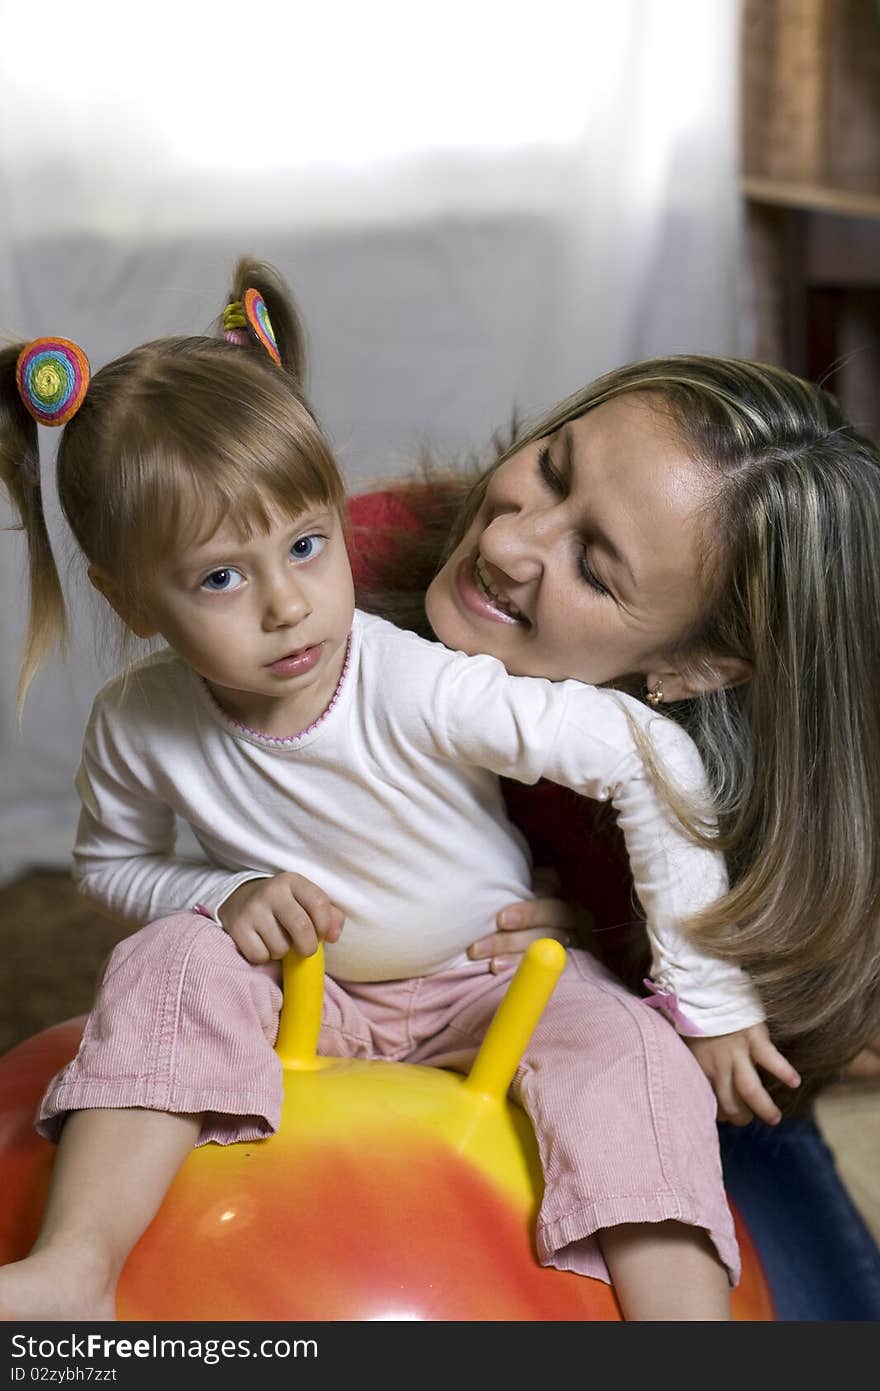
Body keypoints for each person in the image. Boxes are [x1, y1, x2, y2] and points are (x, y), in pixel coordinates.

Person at [0, 260, 799, 1326]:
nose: (287, 603)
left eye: (304, 545)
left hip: (480, 978)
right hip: (301, 988)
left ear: (332, 518)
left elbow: (644, 751)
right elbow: (108, 863)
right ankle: (77, 1266)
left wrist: (706, 991)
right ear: (131, 599)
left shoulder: (416, 680)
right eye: (221, 577)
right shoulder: (139, 723)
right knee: (171, 957)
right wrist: (224, 892)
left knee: (630, 1054)